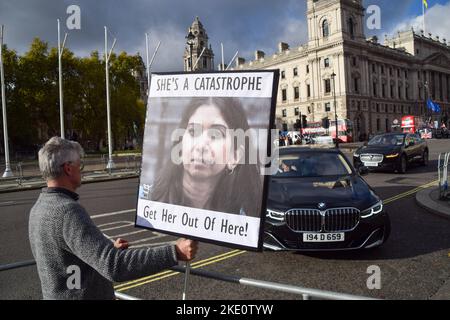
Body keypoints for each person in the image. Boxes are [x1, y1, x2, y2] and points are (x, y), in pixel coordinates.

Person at [29, 137, 198, 300]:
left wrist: (105, 249)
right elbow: (114, 266)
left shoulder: (39, 207)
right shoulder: (67, 211)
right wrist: (174, 252)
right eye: (80, 165)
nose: (82, 170)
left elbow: (65, 264)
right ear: (68, 168)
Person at [149, 97, 262, 217]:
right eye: (193, 132)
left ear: (235, 156)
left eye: (216, 135)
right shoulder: (148, 200)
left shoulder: (245, 219)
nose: (201, 145)